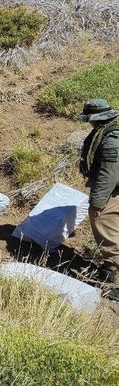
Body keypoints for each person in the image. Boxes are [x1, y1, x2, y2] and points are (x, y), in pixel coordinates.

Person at [79, 98, 119, 301]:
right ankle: (109, 269)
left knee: (107, 231)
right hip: (113, 190)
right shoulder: (108, 132)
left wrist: (97, 202)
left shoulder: (111, 139)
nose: (89, 123)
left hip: (112, 192)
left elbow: (109, 173)